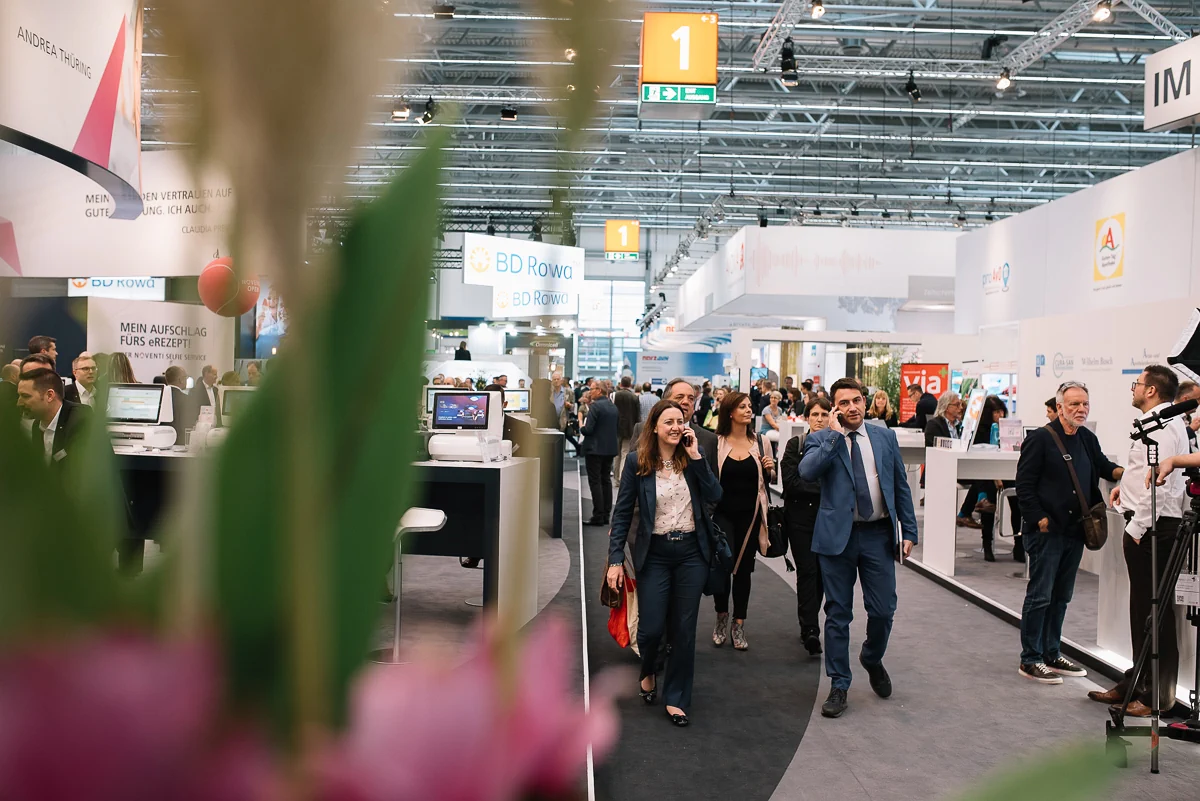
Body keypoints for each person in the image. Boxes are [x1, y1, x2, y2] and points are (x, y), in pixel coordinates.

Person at [800, 378, 918, 718]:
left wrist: (908, 529)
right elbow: (808, 472)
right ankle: (839, 683)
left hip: (877, 535)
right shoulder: (821, 438)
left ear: (865, 402)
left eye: (857, 400)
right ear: (835, 408)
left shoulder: (884, 436)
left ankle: (871, 656)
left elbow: (899, 485)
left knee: (883, 609)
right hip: (837, 537)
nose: (852, 407)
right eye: (844, 403)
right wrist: (835, 435)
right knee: (838, 613)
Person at [606, 399, 722, 727]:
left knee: (684, 631)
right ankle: (647, 669)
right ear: (653, 427)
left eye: (680, 420)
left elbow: (715, 495)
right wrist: (615, 559)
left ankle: (677, 698)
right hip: (653, 554)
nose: (675, 426)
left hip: (690, 554)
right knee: (652, 628)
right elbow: (623, 512)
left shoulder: (693, 459)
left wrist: (697, 456)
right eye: (668, 421)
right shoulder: (636, 463)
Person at [1088, 366, 1186, 716]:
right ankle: (1137, 682)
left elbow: (1160, 485)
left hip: (1153, 529)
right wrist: (1123, 491)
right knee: (1142, 611)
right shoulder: (1158, 423)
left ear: (1152, 391)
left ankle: (1156, 696)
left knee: (1154, 612)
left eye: (1138, 384)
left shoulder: (1162, 425)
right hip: (1147, 525)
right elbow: (1145, 472)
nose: (1134, 389)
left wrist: (1136, 528)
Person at [1015, 381, 1122, 685]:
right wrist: (1040, 520)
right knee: (1040, 596)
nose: (1081, 409)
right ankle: (1031, 658)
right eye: (1074, 404)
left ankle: (1051, 651)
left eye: (1085, 403)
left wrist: (1133, 473)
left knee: (1061, 596)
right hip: (1047, 533)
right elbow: (1024, 485)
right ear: (1059, 407)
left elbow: (1103, 467)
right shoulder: (1040, 439)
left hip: (1076, 532)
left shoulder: (1087, 438)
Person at [711, 391, 775, 651]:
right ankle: (721, 617)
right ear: (730, 412)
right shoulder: (716, 443)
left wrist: (770, 469)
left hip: (750, 517)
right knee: (723, 566)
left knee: (744, 570)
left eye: (750, 406)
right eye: (742, 407)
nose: (749, 410)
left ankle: (739, 623)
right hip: (722, 515)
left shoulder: (761, 442)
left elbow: (766, 481)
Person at [781, 397, 832, 655]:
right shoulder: (796, 445)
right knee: (807, 571)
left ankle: (812, 622)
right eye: (815, 414)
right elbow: (790, 482)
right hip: (800, 519)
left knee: (823, 574)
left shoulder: (837, 445)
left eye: (824, 414)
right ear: (807, 417)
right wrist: (823, 488)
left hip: (829, 520)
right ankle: (810, 629)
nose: (820, 419)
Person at [965, 395, 1022, 561]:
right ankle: (987, 545)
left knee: (1017, 506)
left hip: (1007, 470)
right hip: (987, 473)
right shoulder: (980, 431)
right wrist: (995, 476)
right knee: (989, 507)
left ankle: (1019, 546)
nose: (1000, 416)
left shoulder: (1008, 428)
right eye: (996, 412)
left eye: (1001, 412)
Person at [630, 377, 718, 478]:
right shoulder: (641, 429)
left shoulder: (709, 439)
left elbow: (713, 486)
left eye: (691, 398)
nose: (685, 402)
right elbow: (632, 475)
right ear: (665, 401)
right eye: (679, 397)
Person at [16, 368, 92, 470]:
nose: (19, 403)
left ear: (49, 395)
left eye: (25, 396)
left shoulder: (81, 420)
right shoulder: (37, 425)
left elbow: (78, 475)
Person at [582, 385, 619, 526]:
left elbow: (589, 429)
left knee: (595, 481)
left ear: (599, 391)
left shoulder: (595, 407)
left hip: (594, 449)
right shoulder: (613, 407)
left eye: (592, 389)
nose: (590, 392)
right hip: (609, 448)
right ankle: (605, 514)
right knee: (606, 481)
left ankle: (598, 515)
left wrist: (582, 429)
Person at [613, 376, 640, 484]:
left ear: (621, 384)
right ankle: (621, 478)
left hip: (616, 427)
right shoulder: (634, 397)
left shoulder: (615, 396)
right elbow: (637, 414)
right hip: (629, 428)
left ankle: (616, 478)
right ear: (630, 385)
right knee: (625, 453)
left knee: (616, 454)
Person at [163, 366, 194, 439]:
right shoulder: (187, 400)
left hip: (159, 440)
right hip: (180, 441)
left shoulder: (159, 397)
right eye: (186, 378)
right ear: (181, 380)